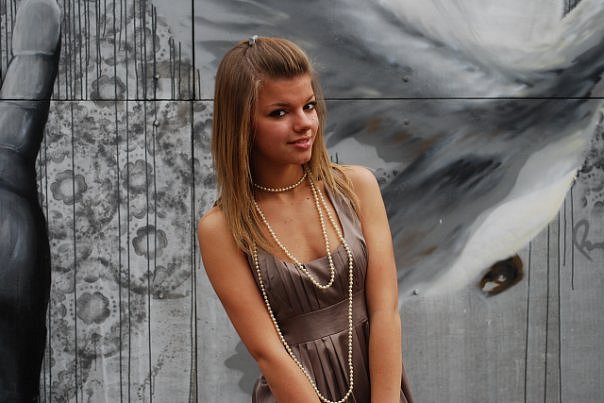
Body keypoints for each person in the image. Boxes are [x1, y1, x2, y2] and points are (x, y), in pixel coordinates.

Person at [198, 36, 414, 403]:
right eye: (279, 113)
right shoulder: (221, 229)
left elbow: (385, 311)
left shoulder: (357, 187)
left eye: (309, 106)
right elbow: (268, 353)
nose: (305, 124)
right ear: (242, 123)